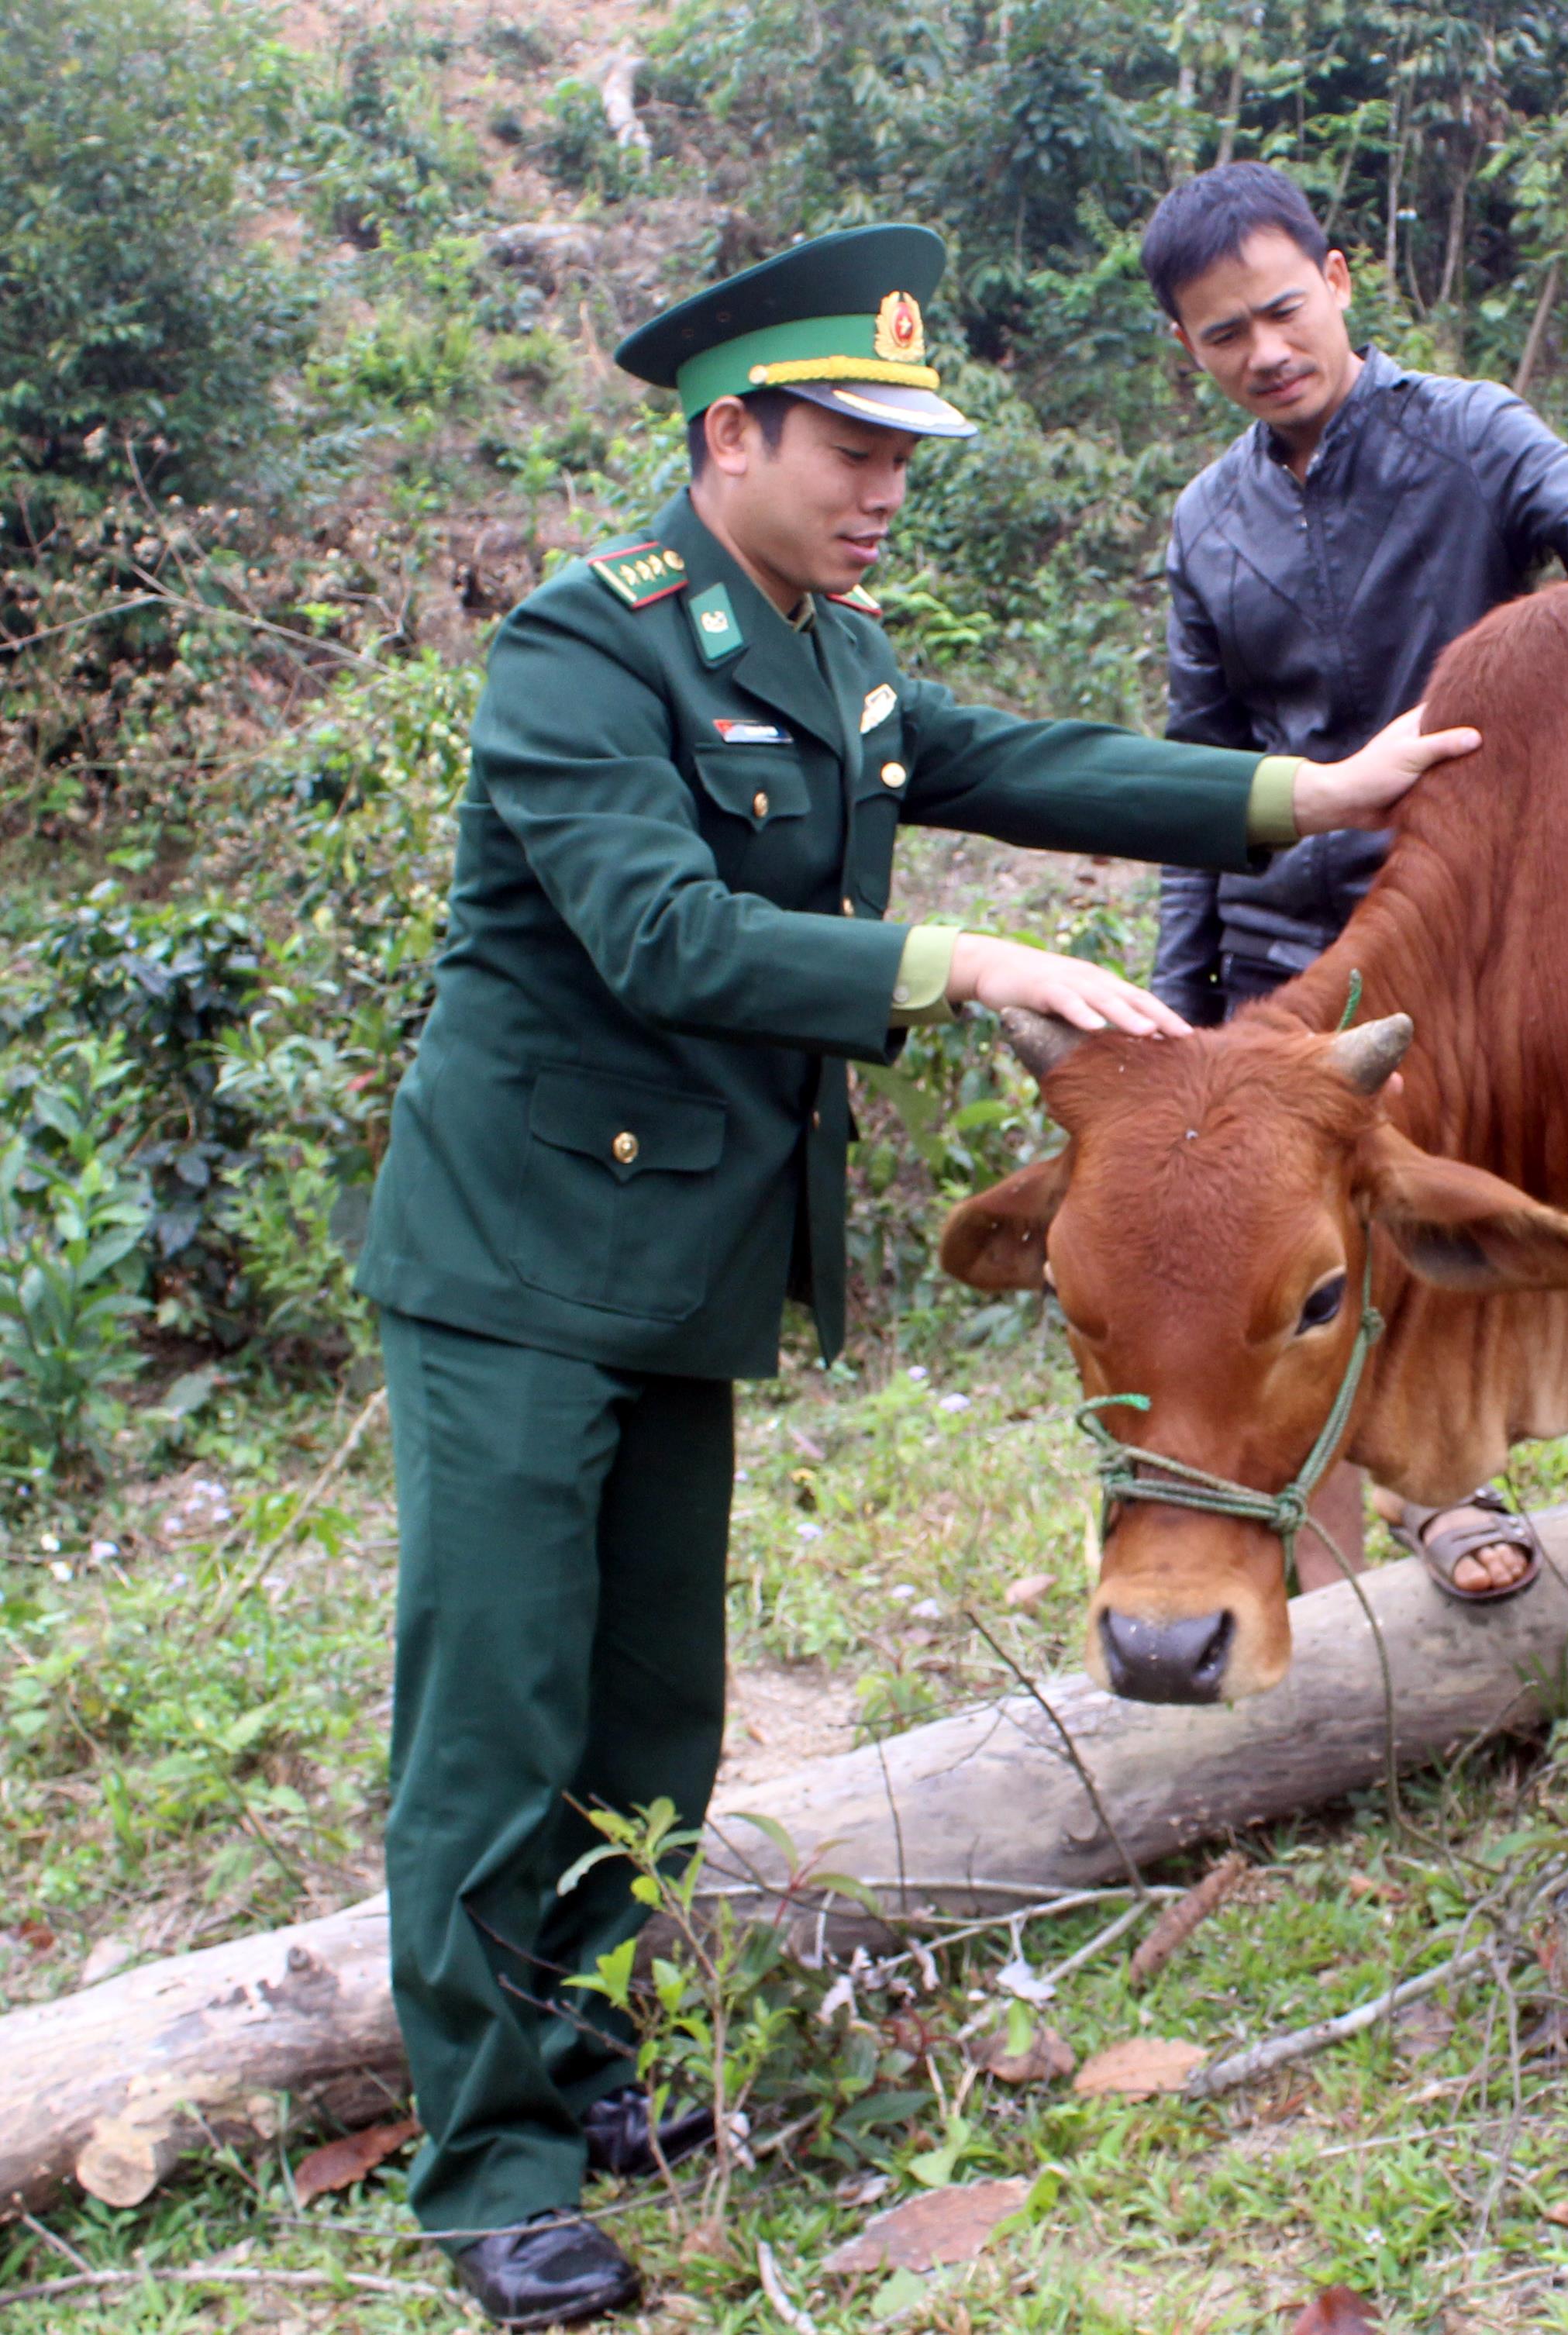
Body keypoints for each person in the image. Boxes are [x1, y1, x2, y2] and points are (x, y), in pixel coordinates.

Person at [351, 223, 1473, 2328]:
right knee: (497, 1715)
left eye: (902, 458)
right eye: (850, 452)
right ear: (730, 437)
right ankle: (486, 2163)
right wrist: (954, 958)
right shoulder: (588, 650)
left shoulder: (831, 654)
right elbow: (662, 934)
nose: (884, 492)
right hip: (517, 1258)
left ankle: (587, 2060)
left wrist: (1313, 790)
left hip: (682, 1255)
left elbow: (1020, 761)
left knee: (652, 1709)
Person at [1140, 161, 1568, 1601]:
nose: (1265, 352)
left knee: (1450, 1213)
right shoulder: (1207, 520)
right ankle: (1312, 1544)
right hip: (1284, 941)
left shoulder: (1464, 432)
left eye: (1282, 310)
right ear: (1186, 347)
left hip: (1466, 929)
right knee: (1287, 1252)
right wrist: (1180, 1010)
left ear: (1337, 281)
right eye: (1223, 334)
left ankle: (1452, 1481)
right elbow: (1201, 772)